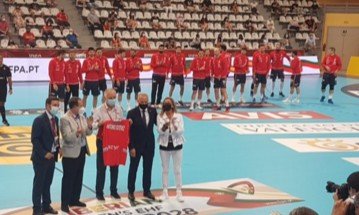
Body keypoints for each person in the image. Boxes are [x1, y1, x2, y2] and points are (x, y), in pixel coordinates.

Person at [60, 97, 92, 213]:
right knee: (68, 178)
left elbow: (88, 133)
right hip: (71, 153)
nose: (82, 107)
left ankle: (74, 199)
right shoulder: (65, 119)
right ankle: (64, 203)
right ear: (74, 107)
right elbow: (67, 137)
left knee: (79, 176)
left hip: (82, 150)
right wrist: (79, 132)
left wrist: (89, 126)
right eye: (80, 105)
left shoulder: (82, 116)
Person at [93, 89, 124, 200]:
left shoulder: (118, 109)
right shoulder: (98, 110)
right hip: (103, 141)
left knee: (115, 167)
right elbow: (94, 125)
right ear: (105, 98)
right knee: (101, 168)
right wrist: (101, 123)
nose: (112, 100)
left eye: (114, 97)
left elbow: (122, 123)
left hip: (115, 141)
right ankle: (99, 192)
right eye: (110, 98)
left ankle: (113, 191)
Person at [31, 97, 60, 215]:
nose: (57, 107)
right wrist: (44, 153)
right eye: (55, 105)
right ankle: (37, 209)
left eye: (58, 104)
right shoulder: (39, 120)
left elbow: (56, 136)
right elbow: (35, 140)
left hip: (52, 157)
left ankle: (46, 205)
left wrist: (58, 148)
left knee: (48, 182)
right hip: (41, 158)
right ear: (48, 106)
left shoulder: (56, 119)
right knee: (39, 184)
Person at [127, 93, 158, 201]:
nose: (144, 104)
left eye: (146, 102)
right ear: (138, 101)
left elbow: (158, 123)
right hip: (136, 146)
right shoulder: (131, 113)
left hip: (149, 145)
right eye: (142, 102)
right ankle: (131, 191)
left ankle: (147, 190)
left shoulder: (153, 111)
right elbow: (128, 132)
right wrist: (131, 147)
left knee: (148, 168)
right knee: (133, 169)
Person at [157, 97, 184, 202]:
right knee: (165, 169)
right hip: (164, 146)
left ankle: (179, 192)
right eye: (165, 104)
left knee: (177, 169)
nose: (167, 106)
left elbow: (181, 132)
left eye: (169, 104)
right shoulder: (160, 117)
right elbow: (160, 132)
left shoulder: (179, 116)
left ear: (172, 105)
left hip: (177, 145)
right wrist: (164, 127)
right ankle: (165, 192)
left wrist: (174, 124)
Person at [82, 47, 102, 112]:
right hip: (87, 81)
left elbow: (100, 70)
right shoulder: (85, 61)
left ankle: (94, 109)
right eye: (90, 52)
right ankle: (83, 110)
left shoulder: (98, 61)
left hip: (95, 81)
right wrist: (89, 69)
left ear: (94, 52)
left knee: (95, 96)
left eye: (93, 51)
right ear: (88, 53)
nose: (91, 53)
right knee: (85, 96)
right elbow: (82, 70)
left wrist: (97, 69)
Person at [48, 50, 66, 115]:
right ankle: (51, 113)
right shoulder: (52, 61)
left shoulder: (64, 62)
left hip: (61, 84)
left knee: (62, 99)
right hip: (54, 84)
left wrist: (66, 84)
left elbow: (65, 73)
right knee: (52, 99)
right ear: (60, 54)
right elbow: (50, 73)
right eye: (63, 55)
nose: (64, 56)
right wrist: (54, 83)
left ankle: (62, 113)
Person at [0, 54, 12, 126]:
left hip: (3, 88)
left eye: (1, 59)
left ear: (3, 59)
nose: (0, 60)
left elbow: (9, 79)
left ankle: (4, 120)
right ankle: (4, 119)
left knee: (2, 104)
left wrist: (10, 88)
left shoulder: (6, 68)